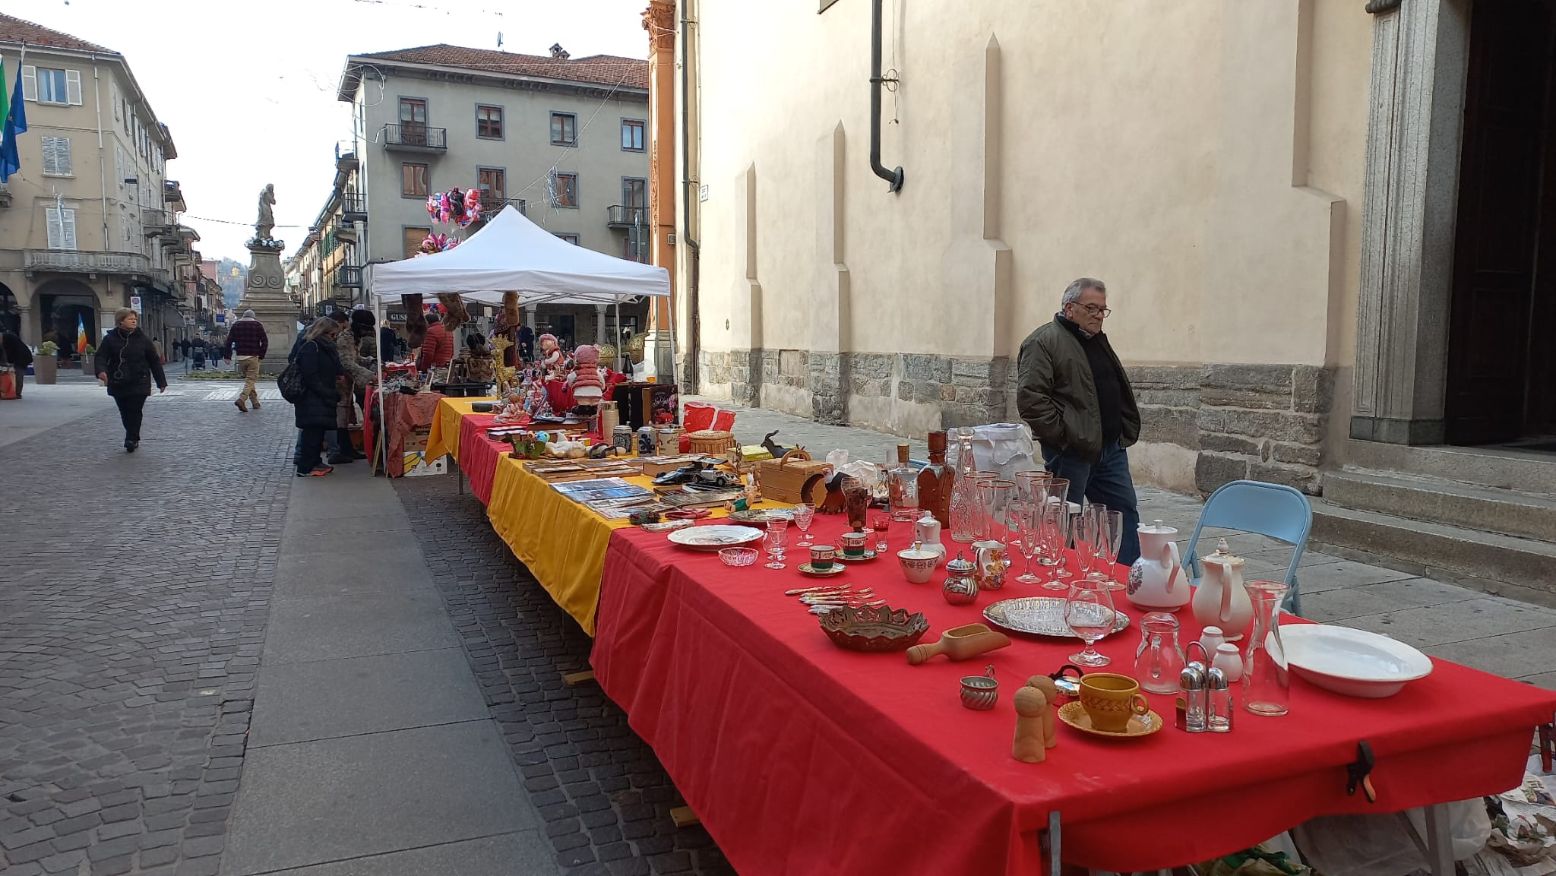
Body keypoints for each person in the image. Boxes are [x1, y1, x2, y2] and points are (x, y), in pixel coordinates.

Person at [1016, 277, 1142, 565]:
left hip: (1110, 449)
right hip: (1071, 452)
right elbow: (1031, 400)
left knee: (1122, 515)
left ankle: (1127, 577)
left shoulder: (1096, 340)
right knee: (1066, 519)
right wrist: (1064, 438)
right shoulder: (1043, 341)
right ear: (1069, 308)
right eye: (1091, 308)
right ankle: (1061, 574)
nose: (1098, 315)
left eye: (1102, 310)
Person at [95, 308, 168, 452]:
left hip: (139, 380)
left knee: (135, 410)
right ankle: (132, 435)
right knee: (124, 411)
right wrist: (101, 371)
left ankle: (131, 438)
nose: (134, 321)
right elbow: (101, 356)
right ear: (120, 321)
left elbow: (154, 361)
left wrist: (161, 382)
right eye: (130, 319)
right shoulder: (110, 339)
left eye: (135, 319)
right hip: (118, 381)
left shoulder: (143, 339)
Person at [291, 317, 343, 477]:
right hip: (312, 397)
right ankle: (306, 467)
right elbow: (310, 376)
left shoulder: (325, 347)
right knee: (311, 433)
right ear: (323, 332)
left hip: (321, 395)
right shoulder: (311, 347)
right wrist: (326, 393)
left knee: (318, 432)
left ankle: (314, 462)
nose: (335, 338)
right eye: (333, 334)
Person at [327, 309, 376, 464]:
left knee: (344, 414)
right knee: (340, 415)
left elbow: (355, 358)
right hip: (340, 383)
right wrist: (368, 375)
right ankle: (341, 449)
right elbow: (346, 362)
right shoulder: (345, 338)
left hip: (347, 383)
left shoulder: (354, 338)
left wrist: (369, 360)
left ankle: (346, 448)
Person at [226, 309, 269, 412]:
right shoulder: (257, 325)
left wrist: (227, 356)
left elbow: (228, 341)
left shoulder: (236, 325)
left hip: (241, 357)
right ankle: (242, 399)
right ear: (253, 317)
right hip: (253, 356)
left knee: (249, 380)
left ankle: (255, 402)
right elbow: (265, 341)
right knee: (250, 380)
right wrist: (261, 355)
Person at [415, 310, 454, 374]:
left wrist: (423, 369)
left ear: (427, 322)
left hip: (434, 368)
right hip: (446, 366)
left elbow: (428, 354)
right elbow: (452, 351)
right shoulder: (448, 330)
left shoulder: (430, 331)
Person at [1, 328, 33, 399]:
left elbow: (12, 352)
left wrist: (9, 364)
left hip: (22, 357)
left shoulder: (8, 337)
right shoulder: (5, 340)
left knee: (18, 373)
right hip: (16, 357)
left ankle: (17, 393)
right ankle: (10, 392)